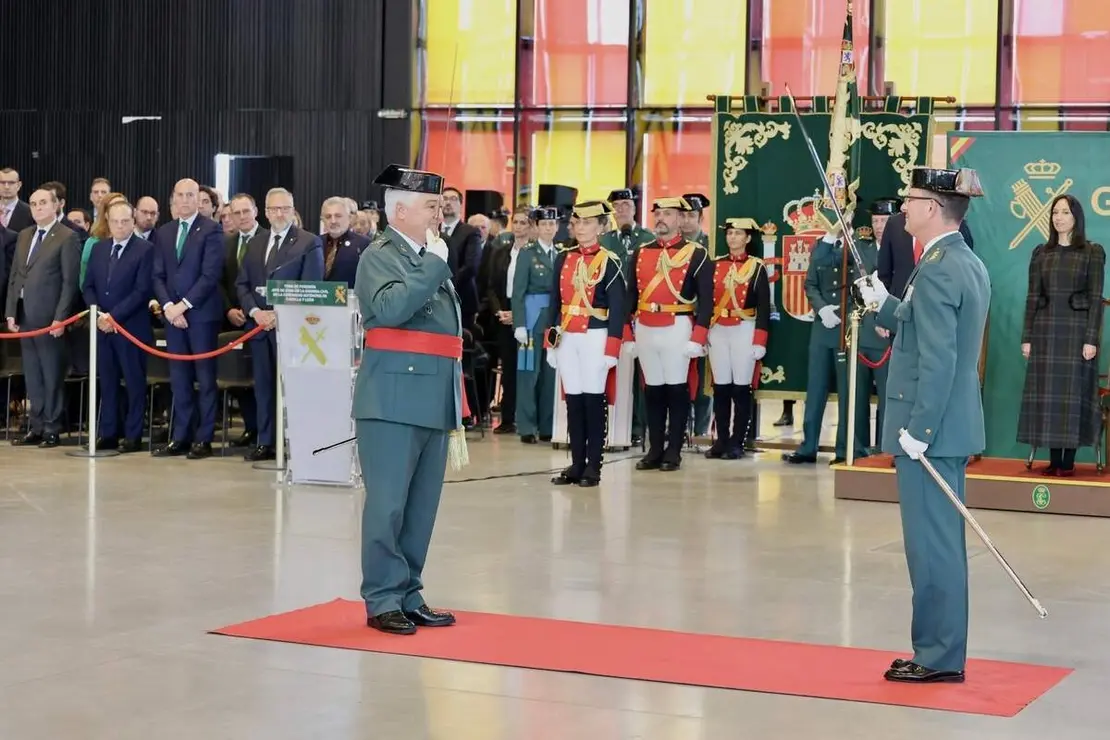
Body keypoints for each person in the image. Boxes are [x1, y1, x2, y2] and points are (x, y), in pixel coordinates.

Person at [854, 166, 989, 684]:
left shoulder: (937, 267)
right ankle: (940, 648)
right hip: (947, 428)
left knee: (932, 548)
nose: (901, 209)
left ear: (932, 207)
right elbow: (929, 326)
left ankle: (937, 655)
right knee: (940, 543)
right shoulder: (957, 259)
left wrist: (919, 431)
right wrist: (885, 304)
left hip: (930, 432)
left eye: (909, 200)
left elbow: (939, 357)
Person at [353, 164, 461, 635]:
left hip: (433, 395)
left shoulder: (427, 252)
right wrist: (434, 264)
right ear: (399, 210)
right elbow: (394, 309)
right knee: (389, 504)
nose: (440, 214)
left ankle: (409, 592)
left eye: (439, 206)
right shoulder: (380, 255)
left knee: (421, 507)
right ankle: (381, 598)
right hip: (392, 397)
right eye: (431, 206)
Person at [1018, 193, 1105, 476]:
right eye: (1055, 212)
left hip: (1077, 334)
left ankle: (1068, 462)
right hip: (1045, 332)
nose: (1059, 217)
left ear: (1076, 217)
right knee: (1049, 397)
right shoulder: (1041, 253)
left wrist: (1091, 339)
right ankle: (1055, 459)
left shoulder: (1092, 252)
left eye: (1065, 212)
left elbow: (1095, 299)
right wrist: (1027, 337)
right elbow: (1033, 297)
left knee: (1073, 396)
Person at [236, 187, 325, 462]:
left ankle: (297, 442)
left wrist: (279, 313)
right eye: (274, 209)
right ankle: (266, 441)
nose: (279, 213)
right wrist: (254, 312)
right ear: (265, 212)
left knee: (294, 388)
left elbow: (311, 287)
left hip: (292, 330)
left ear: (293, 210)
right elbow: (242, 284)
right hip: (259, 329)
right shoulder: (255, 243)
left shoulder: (308, 243)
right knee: (263, 386)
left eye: (285, 208)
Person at [628, 197, 713, 471]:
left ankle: (674, 449)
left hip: (678, 325)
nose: (661, 218)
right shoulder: (640, 252)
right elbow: (631, 296)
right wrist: (627, 335)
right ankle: (655, 448)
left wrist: (698, 336)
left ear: (680, 219)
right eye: (658, 213)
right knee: (652, 391)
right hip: (645, 325)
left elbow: (707, 300)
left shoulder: (696, 253)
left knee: (677, 390)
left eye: (667, 214)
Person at [546, 201, 626, 487]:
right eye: (578, 222)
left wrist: (612, 348)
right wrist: (550, 341)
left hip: (595, 334)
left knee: (594, 400)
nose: (581, 227)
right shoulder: (564, 258)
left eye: (588, 222)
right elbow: (554, 302)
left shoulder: (610, 261)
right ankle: (577, 463)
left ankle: (594, 466)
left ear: (601, 227)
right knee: (574, 401)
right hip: (568, 335)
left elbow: (619, 308)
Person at [4, 188, 81, 448]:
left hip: (50, 320)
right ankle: (35, 426)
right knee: (33, 375)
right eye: (34, 203)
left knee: (51, 375)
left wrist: (60, 318)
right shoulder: (25, 235)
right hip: (25, 316)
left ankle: (52, 427)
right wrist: (11, 311)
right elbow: (16, 275)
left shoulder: (67, 237)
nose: (37, 208)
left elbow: (70, 283)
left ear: (56, 206)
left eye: (43, 203)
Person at [82, 200, 154, 452]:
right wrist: (99, 314)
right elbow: (88, 285)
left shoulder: (145, 250)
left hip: (131, 328)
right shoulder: (99, 249)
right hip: (102, 328)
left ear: (133, 221)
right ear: (108, 222)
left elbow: (142, 290)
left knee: (134, 384)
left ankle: (133, 436)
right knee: (108, 382)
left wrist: (114, 317)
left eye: (125, 221)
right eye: (115, 221)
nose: (120, 226)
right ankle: (109, 432)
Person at [705, 218, 770, 459]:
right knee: (721, 388)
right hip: (718, 328)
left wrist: (760, 340)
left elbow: (764, 306)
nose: (732, 238)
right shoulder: (715, 265)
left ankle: (737, 441)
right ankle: (721, 440)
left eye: (738, 233)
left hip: (745, 327)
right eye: (730, 233)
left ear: (748, 238)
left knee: (741, 388)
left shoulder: (756, 267)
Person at [511, 206, 559, 444]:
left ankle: (547, 425)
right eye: (544, 224)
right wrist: (518, 323)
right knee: (529, 373)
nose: (549, 228)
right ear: (537, 227)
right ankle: (527, 426)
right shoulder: (528, 253)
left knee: (551, 374)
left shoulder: (561, 253)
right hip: (530, 319)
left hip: (553, 320)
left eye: (552, 224)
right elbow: (518, 291)